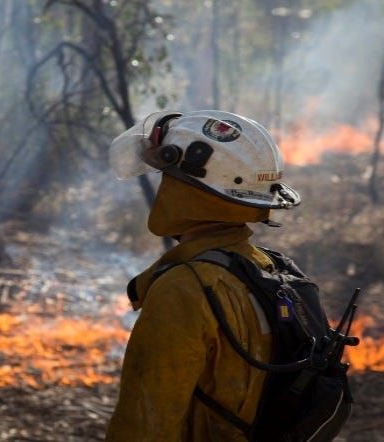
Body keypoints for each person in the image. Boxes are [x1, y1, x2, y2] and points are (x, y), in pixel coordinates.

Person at [105, 110, 302, 441]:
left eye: (168, 178)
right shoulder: (269, 267)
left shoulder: (182, 290)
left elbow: (145, 426)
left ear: (189, 190)